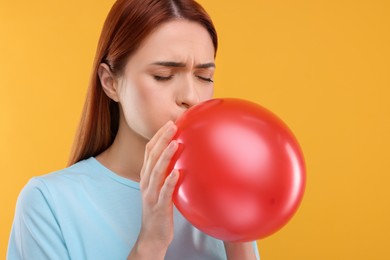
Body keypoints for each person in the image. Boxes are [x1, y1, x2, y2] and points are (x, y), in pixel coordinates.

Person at [7, 0, 261, 259]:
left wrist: (238, 236)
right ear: (110, 82)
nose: (191, 97)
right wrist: (151, 242)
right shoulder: (48, 204)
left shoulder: (222, 194)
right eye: (163, 75)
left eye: (204, 77)